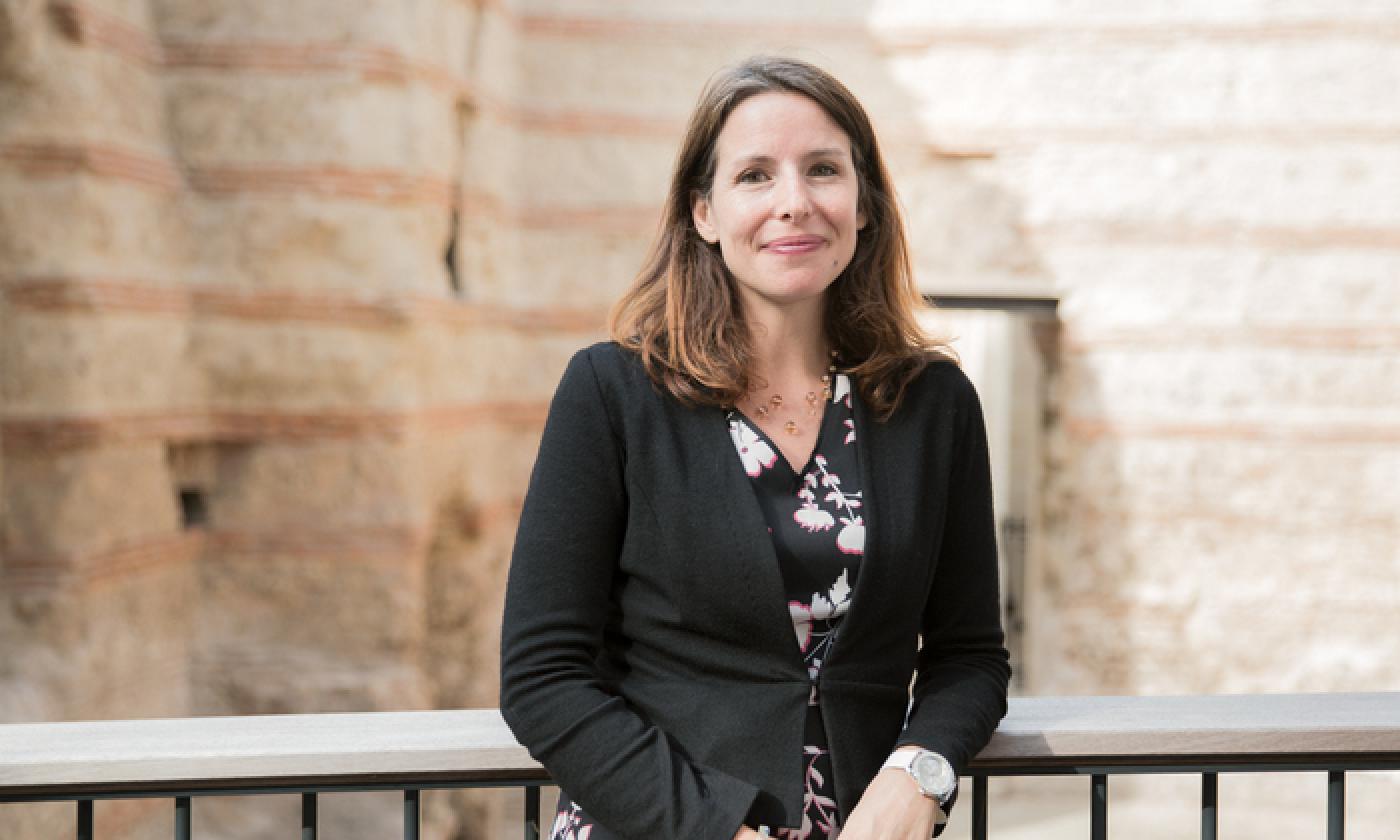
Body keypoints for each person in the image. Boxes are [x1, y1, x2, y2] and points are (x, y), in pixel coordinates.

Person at [499, 55, 1010, 840]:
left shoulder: (934, 405)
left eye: (823, 170)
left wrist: (921, 771)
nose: (794, 203)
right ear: (702, 211)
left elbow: (970, 657)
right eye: (754, 177)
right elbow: (543, 676)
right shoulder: (612, 394)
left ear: (865, 203)